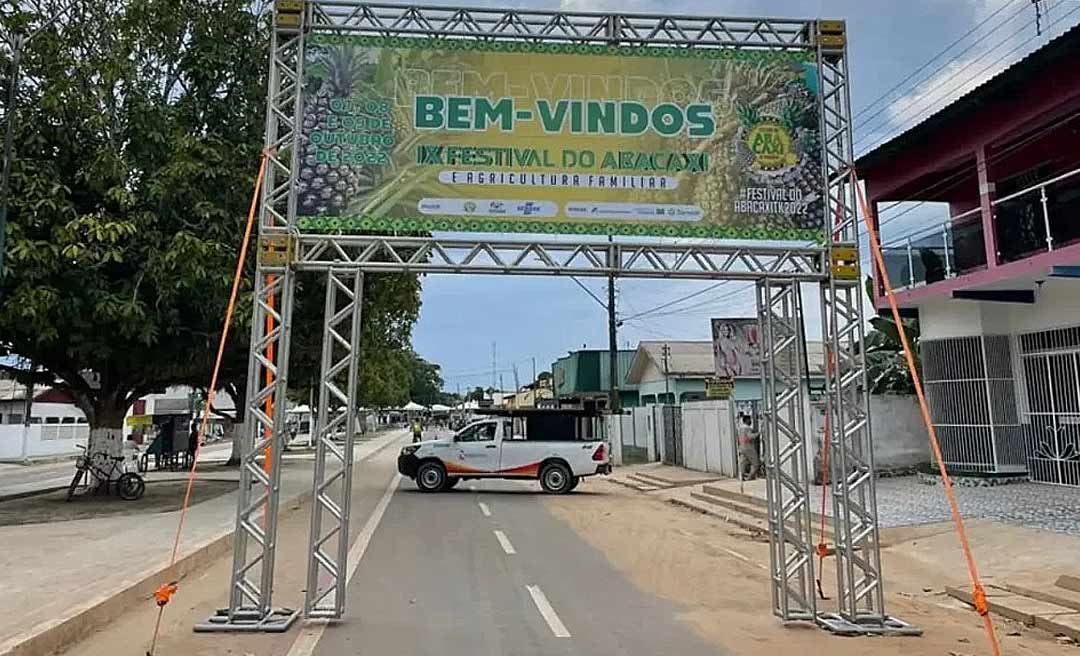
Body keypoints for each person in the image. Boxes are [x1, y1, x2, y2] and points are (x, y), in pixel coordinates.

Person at [736, 414, 760, 481]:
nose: (751, 421)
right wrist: (758, 434)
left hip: (741, 447)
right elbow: (750, 437)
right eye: (750, 420)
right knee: (755, 463)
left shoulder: (740, 428)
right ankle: (750, 477)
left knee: (743, 463)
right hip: (749, 447)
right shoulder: (747, 428)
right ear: (746, 420)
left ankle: (741, 476)